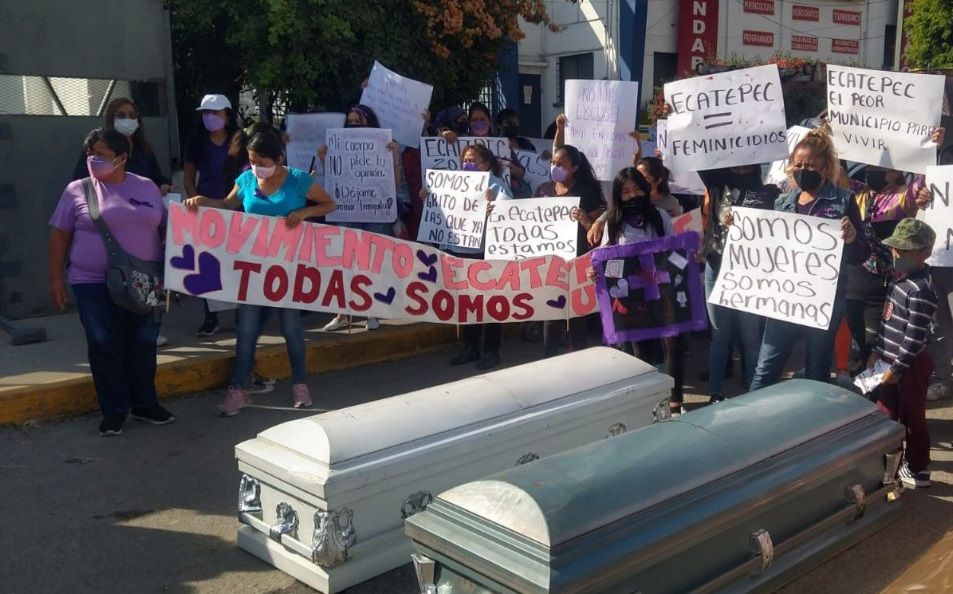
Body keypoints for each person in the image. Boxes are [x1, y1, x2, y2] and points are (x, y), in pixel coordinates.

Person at [183, 123, 336, 415]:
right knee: (247, 331)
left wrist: (304, 211)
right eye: (251, 161)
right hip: (254, 268)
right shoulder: (245, 180)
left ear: (277, 159)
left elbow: (330, 204)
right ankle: (238, 390)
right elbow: (227, 205)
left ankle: (300, 385)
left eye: (261, 163)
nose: (255, 167)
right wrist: (204, 202)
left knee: (292, 330)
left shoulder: (298, 179)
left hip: (288, 267)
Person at [50, 128, 174, 436]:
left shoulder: (147, 188)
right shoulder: (76, 191)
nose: (94, 161)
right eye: (90, 155)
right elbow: (59, 236)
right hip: (91, 281)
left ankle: (145, 404)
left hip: (147, 279)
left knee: (144, 343)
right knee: (105, 344)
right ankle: (114, 410)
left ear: (122, 158)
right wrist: (55, 278)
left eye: (102, 156)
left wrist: (179, 272)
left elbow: (169, 230)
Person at [748, 128, 867, 390]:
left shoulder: (844, 201)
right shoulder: (782, 202)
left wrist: (852, 237)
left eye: (810, 165)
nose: (803, 169)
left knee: (817, 369)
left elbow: (862, 253)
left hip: (823, 301)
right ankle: (751, 420)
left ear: (825, 168)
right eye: (798, 164)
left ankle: (816, 424)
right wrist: (737, 226)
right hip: (785, 298)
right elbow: (763, 243)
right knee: (766, 368)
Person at [595, 167, 685, 415]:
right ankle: (648, 405)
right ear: (618, 195)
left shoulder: (660, 217)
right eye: (625, 191)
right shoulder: (614, 221)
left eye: (636, 189)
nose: (632, 195)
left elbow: (673, 248)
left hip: (662, 290)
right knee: (640, 352)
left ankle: (675, 402)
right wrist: (598, 271)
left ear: (645, 190)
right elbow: (605, 256)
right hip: (632, 296)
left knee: (673, 345)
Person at [696, 165, 779, 402]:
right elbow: (699, 157)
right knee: (719, 334)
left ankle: (755, 394)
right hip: (717, 264)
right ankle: (715, 393)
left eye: (746, 161)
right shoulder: (717, 183)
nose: (740, 165)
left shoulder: (768, 193)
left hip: (749, 272)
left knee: (750, 336)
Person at [868, 218, 938, 488]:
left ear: (925, 253)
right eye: (895, 248)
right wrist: (877, 351)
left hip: (909, 366)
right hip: (888, 362)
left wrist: (896, 369)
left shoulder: (921, 290)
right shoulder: (899, 281)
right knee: (886, 414)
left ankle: (918, 468)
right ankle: (890, 466)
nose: (897, 254)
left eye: (905, 250)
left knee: (912, 417)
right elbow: (888, 323)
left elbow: (914, 337)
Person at [320, 104, 402, 332]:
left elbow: (395, 183)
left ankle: (372, 312)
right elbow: (333, 179)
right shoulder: (337, 145)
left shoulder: (385, 145)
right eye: (350, 121)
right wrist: (325, 158)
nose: (353, 125)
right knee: (345, 262)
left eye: (358, 121)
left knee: (373, 263)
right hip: (347, 212)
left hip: (376, 213)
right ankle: (343, 313)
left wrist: (393, 156)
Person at [183, 94, 248, 337]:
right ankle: (211, 317)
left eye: (216, 112)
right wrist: (194, 202)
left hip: (237, 208)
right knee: (208, 263)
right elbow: (189, 176)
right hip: (206, 210)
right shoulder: (196, 140)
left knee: (239, 262)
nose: (210, 117)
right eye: (206, 113)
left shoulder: (240, 139)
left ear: (227, 115)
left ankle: (243, 314)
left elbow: (247, 174)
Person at [444, 144, 514, 370]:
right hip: (462, 250)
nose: (468, 164)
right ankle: (470, 347)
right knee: (468, 303)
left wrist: (493, 203)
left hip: (486, 253)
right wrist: (428, 197)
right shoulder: (457, 183)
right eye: (465, 160)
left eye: (473, 160)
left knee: (490, 302)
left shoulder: (496, 185)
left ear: (486, 163)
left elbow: (508, 208)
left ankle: (492, 350)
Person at [535, 143, 605, 357]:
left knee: (576, 313)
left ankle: (580, 358)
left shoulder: (586, 193)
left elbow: (598, 234)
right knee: (551, 312)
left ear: (574, 168)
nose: (555, 167)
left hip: (578, 260)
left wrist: (585, 221)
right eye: (553, 163)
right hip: (550, 261)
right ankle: (549, 358)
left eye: (561, 164)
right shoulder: (544, 190)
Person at [71, 97, 171, 193]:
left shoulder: (143, 148)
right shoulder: (97, 147)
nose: (127, 120)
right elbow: (80, 180)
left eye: (132, 115)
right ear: (111, 118)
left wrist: (164, 185)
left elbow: (157, 178)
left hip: (141, 204)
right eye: (121, 116)